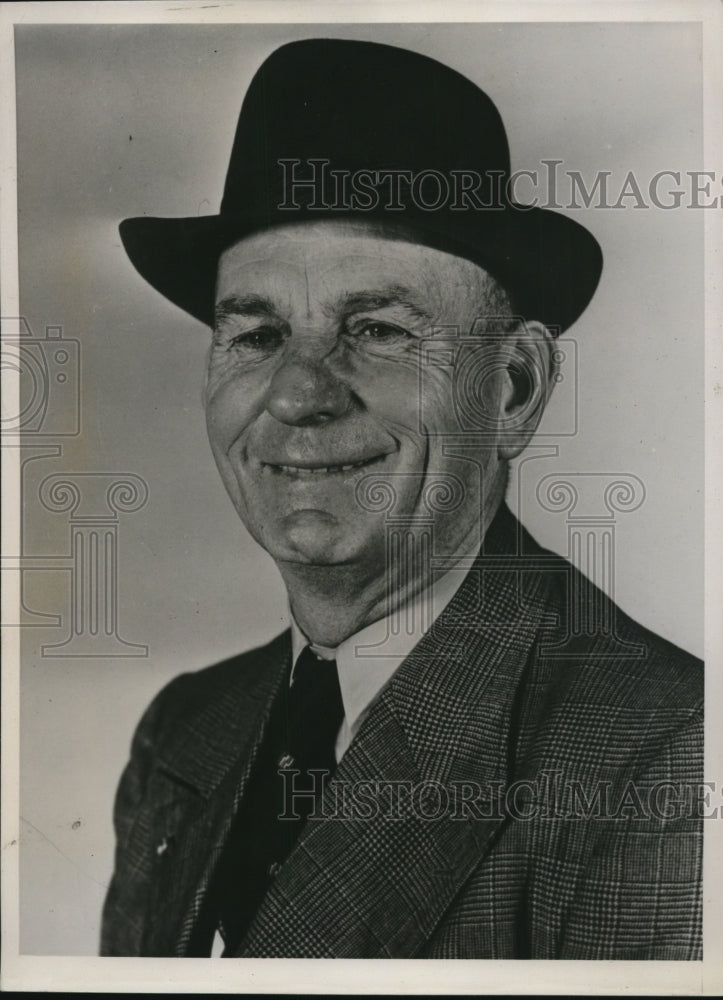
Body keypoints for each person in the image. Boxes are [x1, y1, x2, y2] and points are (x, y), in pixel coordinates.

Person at [100, 38, 702, 959]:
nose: (299, 395)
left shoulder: (664, 760)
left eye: (376, 329)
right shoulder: (187, 731)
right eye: (256, 335)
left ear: (513, 388)